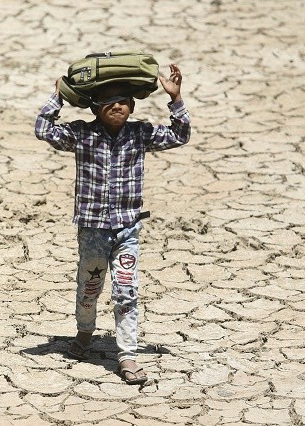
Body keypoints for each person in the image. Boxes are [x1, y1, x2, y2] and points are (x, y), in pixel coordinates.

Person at [34, 64, 190, 385]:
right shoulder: (81, 133)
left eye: (123, 100)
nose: (116, 105)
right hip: (92, 229)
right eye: (107, 101)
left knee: (126, 289)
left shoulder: (141, 133)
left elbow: (179, 134)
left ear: (132, 106)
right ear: (93, 107)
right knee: (90, 285)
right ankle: (85, 332)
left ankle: (127, 355)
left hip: (127, 228)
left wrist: (175, 99)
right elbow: (43, 129)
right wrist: (58, 96)